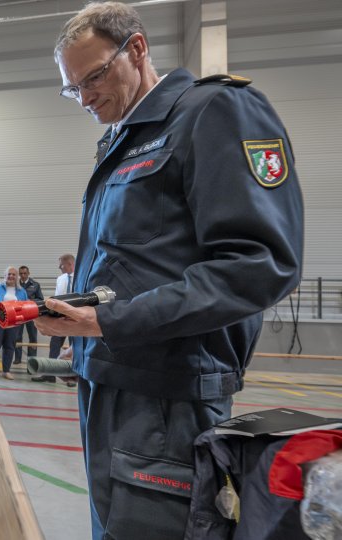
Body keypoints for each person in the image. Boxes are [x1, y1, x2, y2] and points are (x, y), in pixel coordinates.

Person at [36, 3, 304, 539]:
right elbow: (133, 267)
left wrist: (112, 322)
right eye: (74, 89)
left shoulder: (214, 111)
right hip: (107, 385)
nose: (86, 98)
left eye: (93, 78)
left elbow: (260, 263)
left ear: (136, 50)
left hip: (168, 402)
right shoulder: (123, 141)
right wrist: (83, 321)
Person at [33, 253, 74, 383]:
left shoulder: (82, 276)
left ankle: (72, 377)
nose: (59, 267)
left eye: (61, 264)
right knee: (54, 344)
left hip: (76, 318)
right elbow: (57, 297)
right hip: (61, 318)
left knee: (75, 347)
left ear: (70, 264)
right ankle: (50, 375)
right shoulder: (60, 279)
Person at [14, 265, 43, 364]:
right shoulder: (15, 285)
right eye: (21, 273)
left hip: (31, 314)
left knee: (33, 337)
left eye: (25, 273)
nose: (23, 275)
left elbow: (40, 299)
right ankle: (17, 359)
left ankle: (32, 360)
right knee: (17, 336)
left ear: (28, 273)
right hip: (18, 313)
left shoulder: (35, 285)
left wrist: (31, 301)